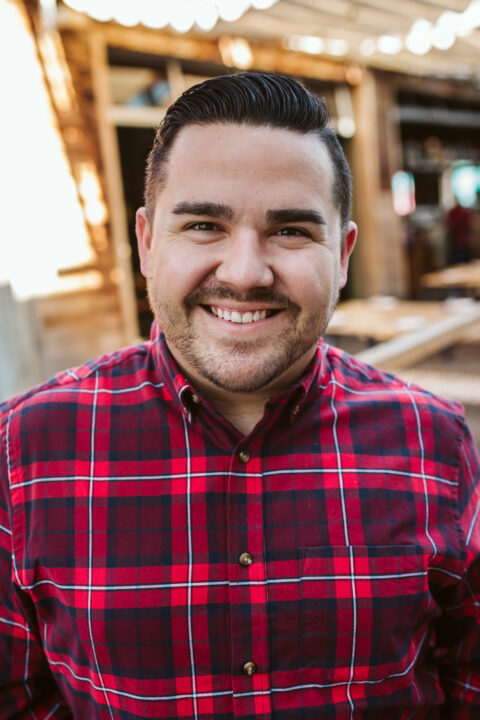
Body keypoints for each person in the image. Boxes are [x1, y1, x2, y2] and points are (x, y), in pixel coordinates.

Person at [1, 72, 479, 720]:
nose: (246, 273)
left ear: (342, 255)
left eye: (290, 231)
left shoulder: (437, 444)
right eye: (203, 224)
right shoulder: (24, 451)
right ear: (146, 243)